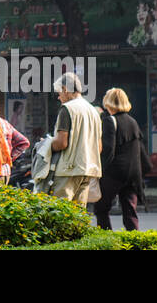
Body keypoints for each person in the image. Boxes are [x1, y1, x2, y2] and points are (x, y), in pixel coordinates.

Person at [95, 87, 150, 231]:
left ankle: (107, 242)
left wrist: (99, 172)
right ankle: (134, 243)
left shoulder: (109, 121)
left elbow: (108, 151)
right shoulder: (133, 121)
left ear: (108, 102)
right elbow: (139, 148)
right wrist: (146, 168)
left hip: (115, 173)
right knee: (130, 212)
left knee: (101, 209)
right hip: (133, 175)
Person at [49, 72, 102, 205]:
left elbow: (61, 143)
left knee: (61, 212)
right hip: (88, 169)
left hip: (68, 170)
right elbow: (99, 147)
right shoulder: (93, 111)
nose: (58, 97)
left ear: (65, 89)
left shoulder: (67, 109)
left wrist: (47, 144)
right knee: (78, 214)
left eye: (59, 92)